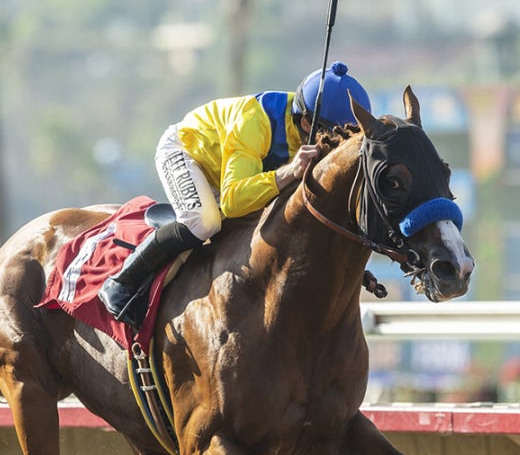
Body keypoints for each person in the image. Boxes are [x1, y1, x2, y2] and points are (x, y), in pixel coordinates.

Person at [99, 61, 372, 327]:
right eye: (332, 137)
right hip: (186, 151)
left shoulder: (309, 127)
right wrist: (290, 172)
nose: (335, 147)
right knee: (202, 222)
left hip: (231, 171)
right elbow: (232, 201)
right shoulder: (253, 123)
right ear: (306, 124)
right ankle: (122, 282)